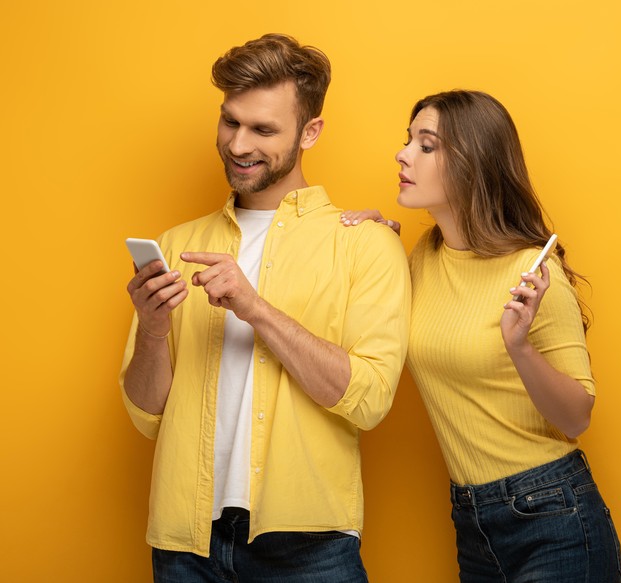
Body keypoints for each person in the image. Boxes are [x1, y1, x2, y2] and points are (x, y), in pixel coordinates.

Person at [120, 33, 411, 582]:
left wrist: (255, 308)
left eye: (263, 129)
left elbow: (369, 400)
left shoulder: (364, 244)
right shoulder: (178, 242)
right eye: (230, 121)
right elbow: (148, 415)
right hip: (186, 546)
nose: (237, 144)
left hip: (309, 548)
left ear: (311, 132)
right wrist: (154, 331)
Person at [340, 90, 621, 582]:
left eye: (426, 146)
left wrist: (520, 346)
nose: (402, 155)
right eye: (408, 141)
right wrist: (373, 245)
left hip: (553, 512)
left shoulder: (531, 272)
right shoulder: (423, 257)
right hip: (472, 520)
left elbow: (577, 417)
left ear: (474, 163)